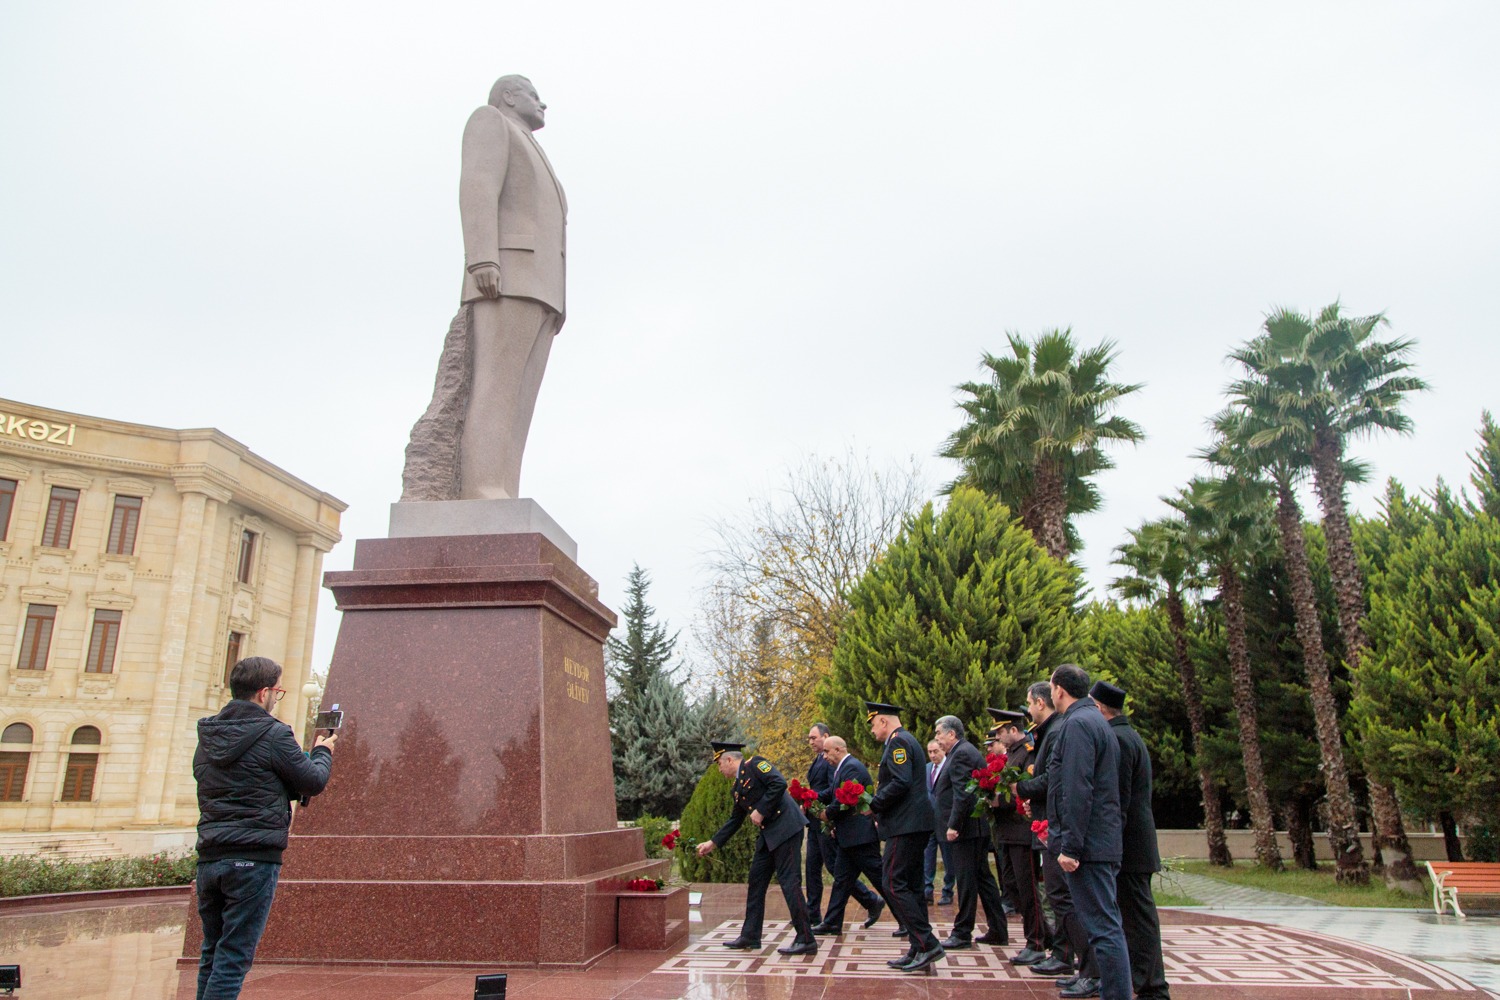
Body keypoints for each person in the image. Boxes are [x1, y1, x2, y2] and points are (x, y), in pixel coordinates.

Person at [403, 74, 567, 501]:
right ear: (509, 97)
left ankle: (504, 489)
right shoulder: (490, 122)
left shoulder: (532, 145)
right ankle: (482, 487)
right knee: (495, 387)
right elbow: (477, 185)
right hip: (507, 274)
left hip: (542, 287)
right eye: (534, 94)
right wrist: (483, 258)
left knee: (520, 404)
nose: (543, 103)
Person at [192, 657, 336, 1000]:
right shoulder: (273, 734)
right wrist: (322, 752)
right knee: (233, 959)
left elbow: (212, 780)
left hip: (210, 857)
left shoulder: (207, 737)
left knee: (211, 953)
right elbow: (313, 781)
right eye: (278, 691)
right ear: (264, 693)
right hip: (254, 858)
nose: (277, 698)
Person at [1047, 665, 1131, 1000]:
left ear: (1059, 691)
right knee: (1104, 927)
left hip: (1090, 848)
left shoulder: (1079, 724)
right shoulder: (1093, 721)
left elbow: (1078, 789)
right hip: (1098, 843)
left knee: (1103, 930)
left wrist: (1071, 846)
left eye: (1051, 688)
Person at [696, 742, 818, 956]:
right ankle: (751, 935)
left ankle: (806, 938)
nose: (719, 770)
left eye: (719, 764)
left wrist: (761, 810)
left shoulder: (756, 765)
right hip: (769, 834)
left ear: (729, 760)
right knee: (756, 880)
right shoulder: (738, 788)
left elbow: (779, 783)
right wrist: (712, 843)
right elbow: (735, 820)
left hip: (787, 828)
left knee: (789, 883)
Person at [1092, 681, 1171, 1000]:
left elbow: (1119, 800)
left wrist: (1110, 846)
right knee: (1136, 917)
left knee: (1139, 919)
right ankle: (1145, 981)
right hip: (1133, 845)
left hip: (1130, 847)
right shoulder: (1126, 735)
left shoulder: (1119, 740)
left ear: (1099, 709)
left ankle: (1151, 986)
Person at [865, 701, 944, 973]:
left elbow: (900, 782)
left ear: (884, 722)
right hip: (911, 823)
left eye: (873, 724)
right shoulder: (902, 741)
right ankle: (918, 946)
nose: (872, 730)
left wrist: (874, 804)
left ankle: (928, 943)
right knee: (910, 886)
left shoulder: (899, 742)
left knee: (891, 882)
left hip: (906, 825)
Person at [931, 715, 1008, 949]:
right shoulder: (961, 751)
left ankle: (962, 932)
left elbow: (963, 793)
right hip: (973, 829)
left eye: (938, 733)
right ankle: (997, 929)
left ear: (952, 734)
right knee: (983, 880)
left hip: (967, 830)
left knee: (966, 881)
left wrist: (954, 825)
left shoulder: (961, 753)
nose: (936, 738)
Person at [987, 708, 1049, 966]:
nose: (998, 738)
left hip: (1022, 830)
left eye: (1001, 732)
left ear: (1014, 730)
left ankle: (1035, 942)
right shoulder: (1012, 754)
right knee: (1012, 887)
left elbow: (1025, 791)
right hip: (1007, 832)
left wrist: (997, 801)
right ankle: (1048, 935)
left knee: (1028, 890)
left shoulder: (1027, 754)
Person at [811, 736, 889, 934]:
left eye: (827, 752)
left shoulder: (852, 767)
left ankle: (907, 920)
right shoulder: (843, 768)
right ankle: (832, 922)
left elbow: (843, 800)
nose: (825, 756)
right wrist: (810, 796)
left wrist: (826, 814)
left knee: (880, 878)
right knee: (841, 880)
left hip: (860, 836)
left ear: (838, 749)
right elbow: (832, 791)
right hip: (850, 837)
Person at [922, 739, 956, 905]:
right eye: (930, 752)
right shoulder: (926, 768)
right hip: (928, 821)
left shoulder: (949, 767)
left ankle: (947, 891)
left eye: (936, 751)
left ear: (943, 750)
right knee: (927, 857)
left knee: (949, 858)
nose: (933, 755)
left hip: (945, 820)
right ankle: (927, 890)